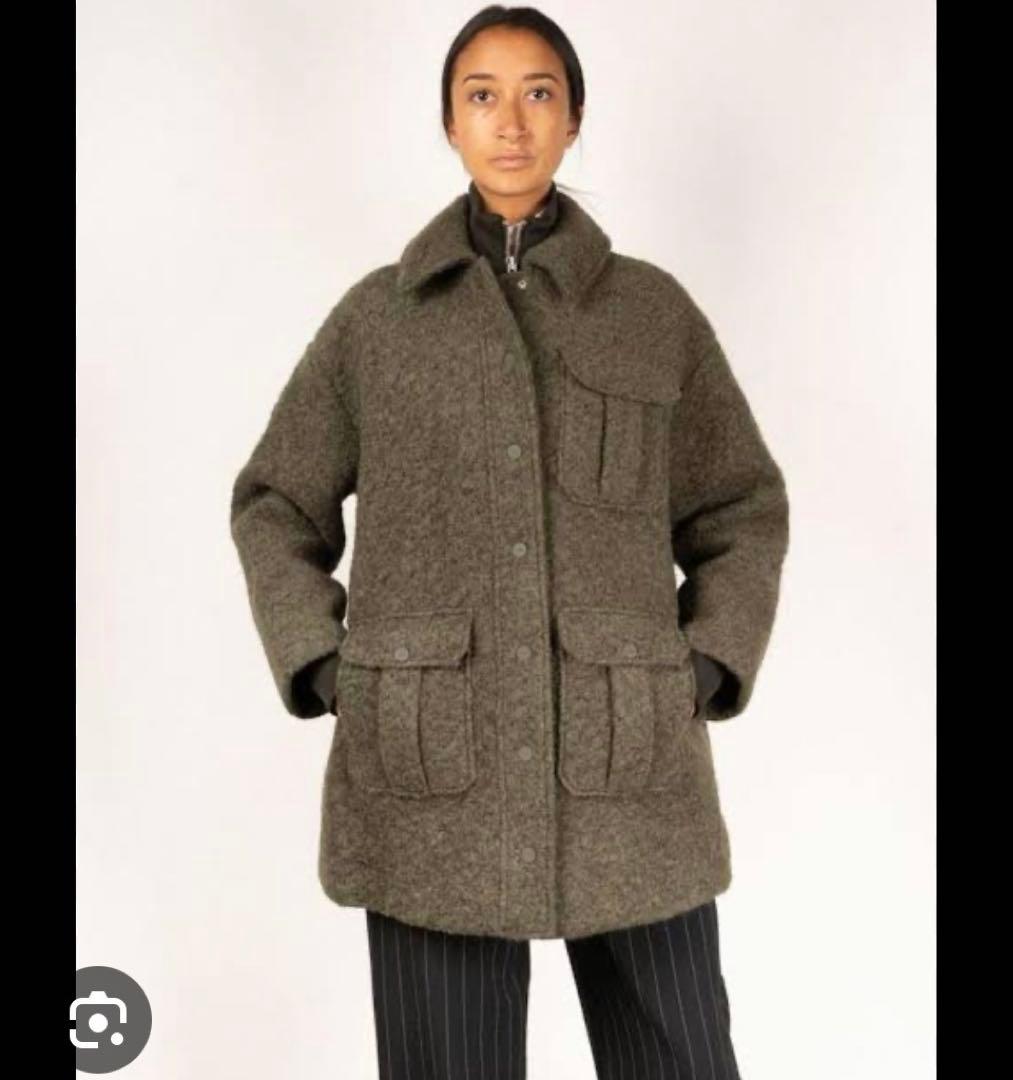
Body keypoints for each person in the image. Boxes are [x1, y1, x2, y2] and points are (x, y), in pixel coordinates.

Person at [229, 6, 789, 1077]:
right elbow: (274, 502)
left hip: (632, 772)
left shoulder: (651, 313)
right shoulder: (378, 322)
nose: (512, 122)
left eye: (538, 93)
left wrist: (706, 663)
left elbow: (739, 506)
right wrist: (325, 664)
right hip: (429, 775)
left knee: (679, 1057)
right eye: (481, 96)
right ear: (448, 123)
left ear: (574, 118)